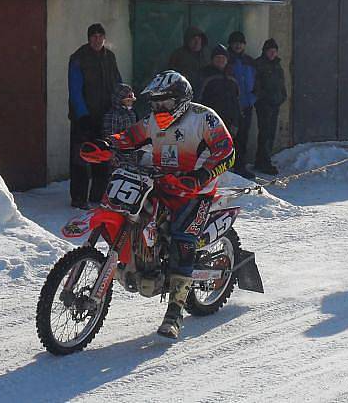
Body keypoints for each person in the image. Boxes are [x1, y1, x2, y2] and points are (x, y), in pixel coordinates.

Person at [83, 70, 235, 339]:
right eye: (154, 103)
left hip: (194, 192)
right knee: (133, 215)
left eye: (163, 102)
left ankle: (175, 312)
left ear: (180, 100)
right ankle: (138, 261)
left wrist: (201, 175)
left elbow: (226, 151)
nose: (157, 108)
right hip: (159, 183)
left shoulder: (204, 118)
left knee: (182, 238)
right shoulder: (153, 121)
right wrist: (106, 144)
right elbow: (129, 137)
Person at [68, 23, 122, 208]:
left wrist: (123, 102)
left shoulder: (110, 57)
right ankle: (78, 197)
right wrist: (83, 115)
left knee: (103, 157)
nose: (97, 39)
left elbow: (118, 83)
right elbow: (75, 89)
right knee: (81, 157)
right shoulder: (79, 58)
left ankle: (98, 195)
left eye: (100, 36)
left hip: (105, 116)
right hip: (83, 118)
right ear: (89, 38)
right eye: (94, 36)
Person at [253, 38, 287, 175]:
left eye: (274, 51)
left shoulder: (277, 66)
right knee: (265, 134)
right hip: (264, 105)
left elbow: (281, 85)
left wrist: (281, 97)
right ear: (265, 52)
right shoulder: (259, 65)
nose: (272, 54)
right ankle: (263, 162)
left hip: (275, 104)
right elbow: (256, 85)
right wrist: (264, 98)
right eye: (270, 51)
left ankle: (262, 160)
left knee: (270, 134)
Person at [227, 31, 257, 180]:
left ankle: (240, 166)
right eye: (235, 42)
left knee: (243, 137)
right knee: (228, 137)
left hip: (247, 105)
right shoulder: (226, 61)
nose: (238, 45)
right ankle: (226, 168)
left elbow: (257, 81)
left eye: (241, 42)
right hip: (231, 106)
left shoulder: (249, 61)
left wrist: (253, 98)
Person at [198, 44, 242, 138]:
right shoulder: (206, 75)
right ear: (212, 59)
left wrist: (236, 121)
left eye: (223, 58)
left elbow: (236, 101)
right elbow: (199, 99)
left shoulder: (231, 77)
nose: (220, 60)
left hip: (229, 121)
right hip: (211, 121)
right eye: (217, 57)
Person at [102, 83, 140, 166]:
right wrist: (112, 155)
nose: (130, 103)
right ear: (120, 100)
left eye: (131, 101)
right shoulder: (113, 115)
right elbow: (110, 136)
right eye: (127, 101)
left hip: (132, 153)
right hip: (118, 156)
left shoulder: (132, 113)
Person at [168, 26, 210, 92]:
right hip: (184, 91)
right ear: (187, 40)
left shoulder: (207, 55)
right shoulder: (178, 54)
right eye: (194, 39)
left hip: (204, 91)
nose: (197, 42)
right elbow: (171, 73)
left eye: (199, 39)